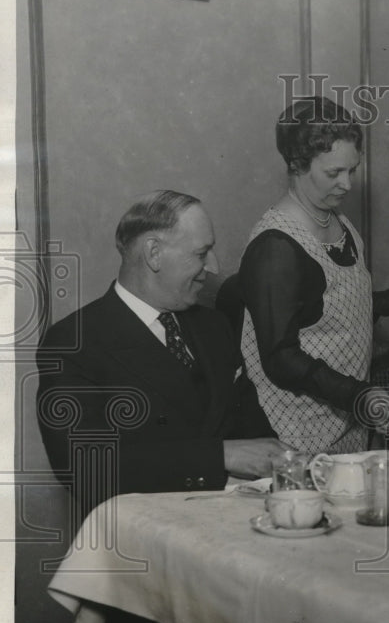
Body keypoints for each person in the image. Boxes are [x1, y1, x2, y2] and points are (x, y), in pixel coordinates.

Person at [36, 190, 286, 520]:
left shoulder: (214, 326)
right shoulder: (73, 341)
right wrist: (217, 456)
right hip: (145, 536)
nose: (213, 267)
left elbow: (251, 431)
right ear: (154, 254)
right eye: (202, 253)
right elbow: (83, 468)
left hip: (233, 523)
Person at [238, 96, 389, 455]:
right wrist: (359, 395)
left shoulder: (337, 221)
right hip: (293, 429)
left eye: (351, 170)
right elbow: (280, 358)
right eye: (333, 173)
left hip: (346, 419)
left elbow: (330, 312)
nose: (347, 185)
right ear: (296, 164)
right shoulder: (275, 247)